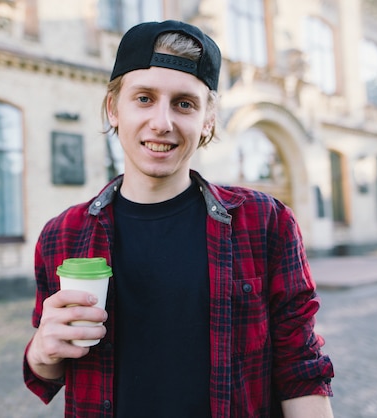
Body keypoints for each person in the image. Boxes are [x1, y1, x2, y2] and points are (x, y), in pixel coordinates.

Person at [23, 20, 334, 417]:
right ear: (113, 108)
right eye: (144, 98)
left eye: (184, 104)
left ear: (208, 120)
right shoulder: (63, 235)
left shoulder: (265, 223)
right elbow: (47, 370)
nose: (162, 123)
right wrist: (42, 349)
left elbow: (301, 367)